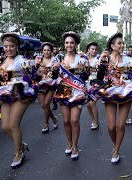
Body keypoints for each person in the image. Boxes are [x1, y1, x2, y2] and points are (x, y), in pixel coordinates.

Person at [95, 32, 132, 164]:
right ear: (112, 45)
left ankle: (116, 150)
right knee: (111, 127)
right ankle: (115, 144)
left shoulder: (129, 60)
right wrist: (101, 63)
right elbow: (99, 77)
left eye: (123, 43)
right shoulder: (105, 59)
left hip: (125, 91)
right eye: (119, 43)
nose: (122, 45)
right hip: (110, 91)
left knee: (120, 125)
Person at [0, 33, 35, 169]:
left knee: (14, 125)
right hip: (6, 94)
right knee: (5, 127)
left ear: (17, 47)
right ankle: (20, 144)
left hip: (21, 94)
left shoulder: (23, 60)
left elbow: (31, 78)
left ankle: (18, 153)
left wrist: (20, 84)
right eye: (6, 46)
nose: (8, 49)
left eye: (11, 46)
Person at [52, 31, 89, 160]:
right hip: (63, 91)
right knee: (66, 121)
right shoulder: (58, 59)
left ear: (76, 44)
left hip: (77, 92)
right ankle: (69, 143)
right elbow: (53, 76)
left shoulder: (82, 59)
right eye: (67, 42)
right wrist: (55, 70)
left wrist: (83, 71)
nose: (69, 45)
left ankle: (75, 146)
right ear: (64, 44)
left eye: (72, 42)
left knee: (74, 120)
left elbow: (85, 77)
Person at [33, 42, 59, 134]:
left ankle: (46, 124)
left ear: (51, 51)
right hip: (40, 85)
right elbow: (34, 74)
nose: (46, 52)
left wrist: (55, 70)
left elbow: (56, 75)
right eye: (44, 50)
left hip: (51, 85)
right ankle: (54, 119)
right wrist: (36, 67)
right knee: (44, 105)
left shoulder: (55, 61)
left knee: (47, 104)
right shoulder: (38, 60)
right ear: (42, 51)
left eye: (48, 50)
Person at [86, 42, 101, 130]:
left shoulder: (99, 59)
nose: (94, 51)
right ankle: (95, 120)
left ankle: (96, 122)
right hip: (88, 84)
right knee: (88, 105)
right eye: (92, 49)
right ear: (88, 50)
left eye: (95, 49)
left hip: (98, 84)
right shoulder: (84, 59)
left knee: (92, 102)